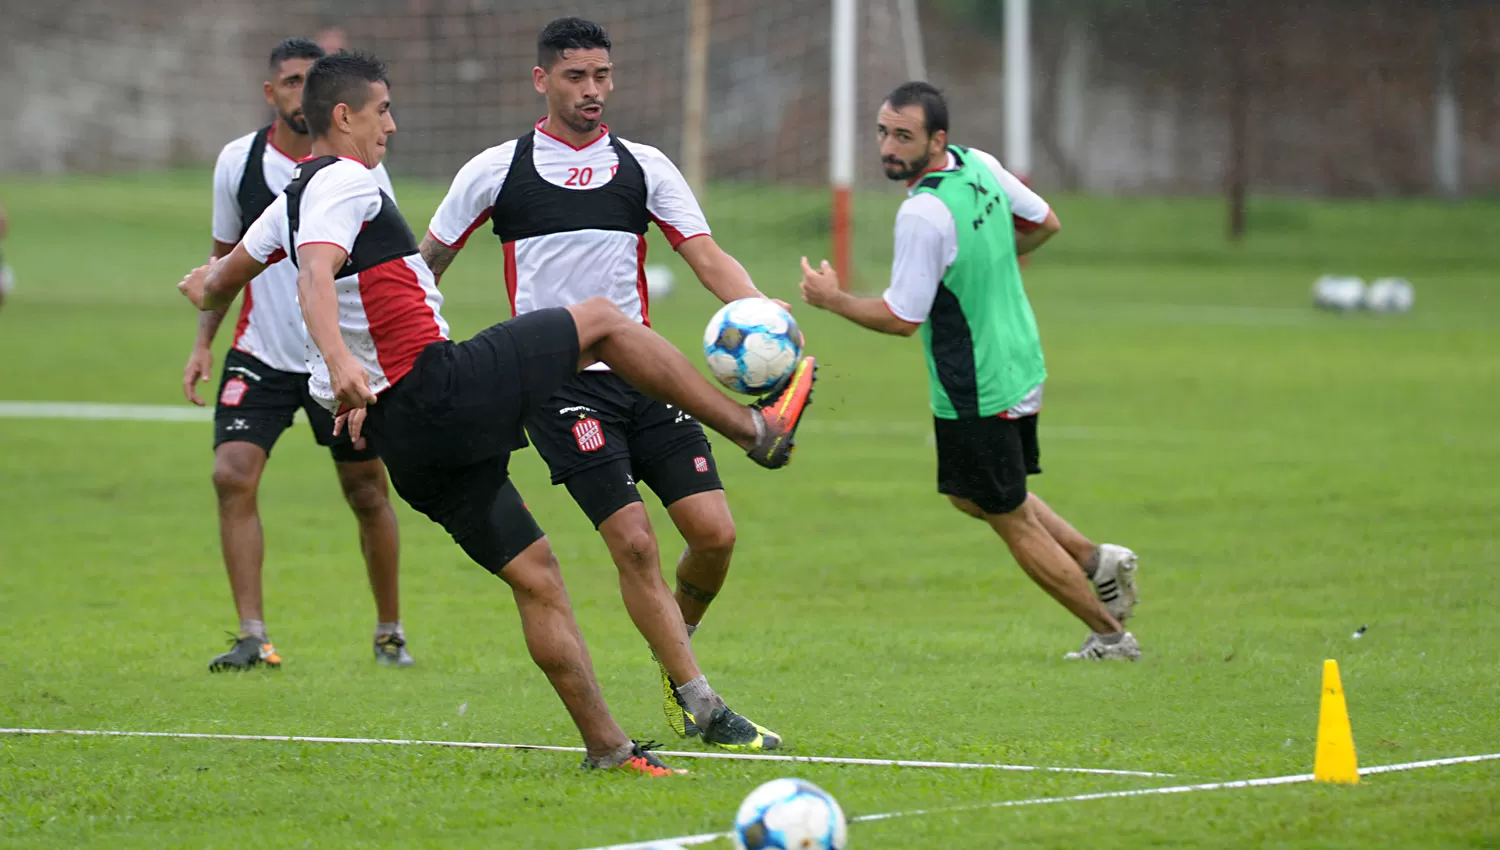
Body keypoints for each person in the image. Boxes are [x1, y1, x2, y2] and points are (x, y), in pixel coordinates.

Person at [175, 50, 816, 774]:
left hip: (404, 438)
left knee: (537, 574)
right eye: (382, 109)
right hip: (438, 387)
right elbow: (316, 275)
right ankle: (756, 429)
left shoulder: (289, 197)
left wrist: (210, 291)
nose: (392, 124)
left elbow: (223, 280)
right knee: (601, 320)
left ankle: (608, 749)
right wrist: (342, 360)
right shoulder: (347, 183)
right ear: (345, 116)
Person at [419, 17, 784, 748]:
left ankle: (671, 643)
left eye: (602, 76)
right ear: (542, 80)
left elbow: (705, 253)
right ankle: (701, 702)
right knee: (636, 545)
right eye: (576, 77)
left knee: (714, 536)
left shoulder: (644, 166)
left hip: (648, 379)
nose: (593, 91)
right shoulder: (495, 170)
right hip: (557, 389)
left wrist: (764, 319)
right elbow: (427, 267)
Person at [798, 81, 1142, 661]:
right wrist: (986, 257)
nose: (888, 146)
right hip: (1019, 357)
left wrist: (832, 300)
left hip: (977, 383)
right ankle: (1095, 559)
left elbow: (902, 319)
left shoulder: (923, 215)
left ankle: (1110, 635)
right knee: (972, 494)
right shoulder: (978, 165)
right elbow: (1045, 223)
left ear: (937, 140)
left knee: (1009, 517)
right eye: (883, 132)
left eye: (903, 136)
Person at [184, 37, 412, 672]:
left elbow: (379, 263)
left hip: (336, 359)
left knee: (368, 491)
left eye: (309, 82)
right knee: (231, 474)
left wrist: (363, 357)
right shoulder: (240, 163)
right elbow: (222, 262)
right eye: (289, 83)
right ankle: (253, 634)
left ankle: (389, 630)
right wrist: (204, 342)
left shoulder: (360, 171)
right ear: (274, 93)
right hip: (260, 352)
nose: (299, 94)